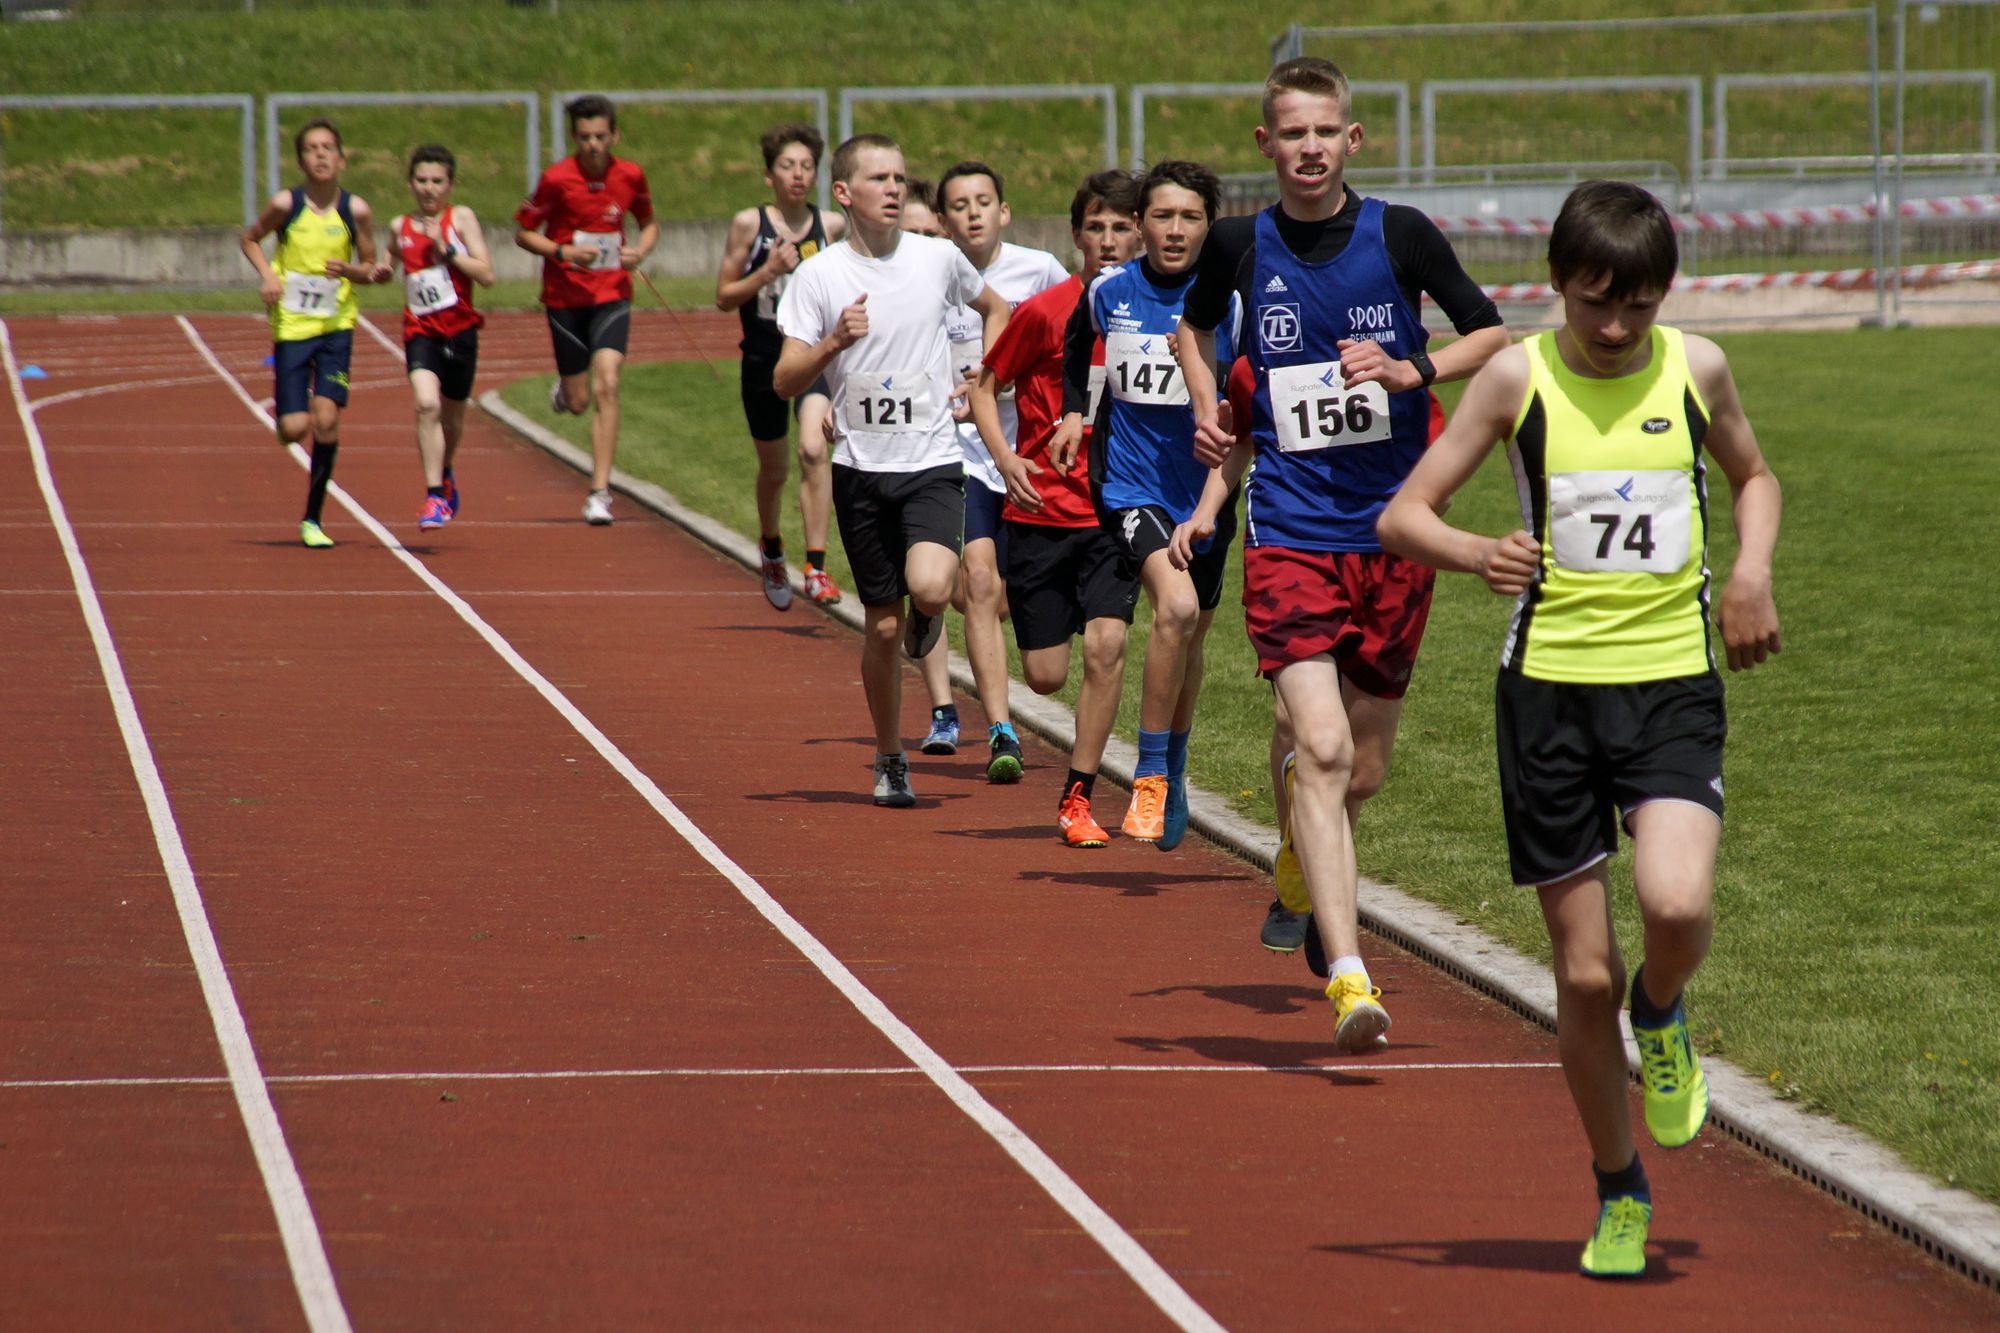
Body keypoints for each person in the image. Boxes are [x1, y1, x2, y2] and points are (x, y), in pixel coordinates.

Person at [1377, 178, 1782, 1280]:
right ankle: (1618, 1186)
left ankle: (1664, 1009)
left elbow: (1752, 476)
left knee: (1675, 903)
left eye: (1638, 306)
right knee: (1583, 975)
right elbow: (1403, 514)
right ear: (1557, 281)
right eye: (1596, 302)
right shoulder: (1516, 376)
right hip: (1547, 697)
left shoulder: (1695, 368)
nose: (1614, 328)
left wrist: (1749, 571)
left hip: (1670, 684)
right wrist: (1478, 553)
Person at [1175, 57, 1508, 1043]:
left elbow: (1490, 335)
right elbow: (1193, 329)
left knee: (1359, 771)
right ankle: (1350, 975)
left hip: (1396, 530)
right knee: (1319, 746)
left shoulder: (1399, 233)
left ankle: (1301, 842)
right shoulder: (1237, 243)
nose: (1310, 148)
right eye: (1293, 133)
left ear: (1351, 139)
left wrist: (1411, 369)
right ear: (1265, 143)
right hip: (1288, 528)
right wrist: (1208, 409)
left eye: (1326, 131)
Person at [773, 135, 1010, 807]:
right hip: (860, 469)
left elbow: (996, 309)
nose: (895, 188)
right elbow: (785, 380)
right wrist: (833, 342)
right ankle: (889, 755)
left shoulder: (938, 258)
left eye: (901, 178)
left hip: (931, 460)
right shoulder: (818, 277)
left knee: (931, 586)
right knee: (880, 627)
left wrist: (985, 376)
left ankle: (926, 617)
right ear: (844, 193)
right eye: (879, 178)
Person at [1054, 159, 1240, 851]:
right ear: (1139, 224)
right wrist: (1074, 412)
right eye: (1162, 216)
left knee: (1191, 636)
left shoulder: (1231, 302)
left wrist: (1202, 366)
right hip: (1130, 488)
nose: (1176, 230)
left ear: (1210, 225)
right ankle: (1151, 773)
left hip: (1209, 491)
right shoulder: (1110, 290)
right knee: (1178, 608)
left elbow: (1246, 398)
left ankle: (1176, 766)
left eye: (1191, 217)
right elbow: (1077, 343)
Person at [969, 169, 1143, 845]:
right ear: (1076, 236)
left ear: (1139, 233)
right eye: (1096, 227)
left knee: (1107, 645)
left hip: (1115, 512)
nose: (1109, 239)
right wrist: (1005, 459)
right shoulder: (1045, 311)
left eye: (1121, 227)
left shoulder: (1154, 314)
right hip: (1040, 513)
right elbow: (985, 386)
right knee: (1044, 677)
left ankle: (1078, 796)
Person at [935, 160, 1070, 782]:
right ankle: (1000, 728)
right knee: (980, 579)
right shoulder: (931, 273)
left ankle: (937, 596)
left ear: (1004, 211)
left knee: (1004, 601)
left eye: (983, 202)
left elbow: (1078, 336)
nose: (973, 214)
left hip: (1027, 453)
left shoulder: (1039, 270)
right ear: (943, 221)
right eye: (959, 205)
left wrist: (1007, 381)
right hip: (960, 452)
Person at [238, 117, 391, 548]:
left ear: (342, 160)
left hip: (336, 326)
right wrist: (269, 276)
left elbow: (369, 267)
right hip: (292, 325)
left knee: (327, 420)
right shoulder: (286, 204)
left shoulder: (356, 210)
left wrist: (357, 272)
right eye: (311, 149)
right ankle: (288, 419)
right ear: (301, 161)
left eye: (328, 148)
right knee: (294, 427)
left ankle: (313, 519)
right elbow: (249, 239)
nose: (321, 155)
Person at [715, 122, 846, 608]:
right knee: (774, 470)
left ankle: (816, 567)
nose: (798, 174)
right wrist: (768, 271)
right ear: (769, 175)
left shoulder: (830, 227)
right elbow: (724, 296)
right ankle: (771, 546)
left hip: (810, 358)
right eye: (788, 166)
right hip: (764, 360)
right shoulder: (749, 225)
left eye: (807, 166)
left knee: (813, 450)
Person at [515, 94, 658, 525]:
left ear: (614, 136)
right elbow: (523, 232)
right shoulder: (556, 179)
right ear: (574, 138)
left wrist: (639, 252)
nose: (593, 145)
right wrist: (562, 251)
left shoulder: (630, 175)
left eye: (599, 136)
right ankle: (564, 392)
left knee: (608, 383)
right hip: (564, 297)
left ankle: (599, 493)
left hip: (612, 293)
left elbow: (647, 223)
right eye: (584, 137)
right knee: (579, 402)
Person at [384, 144, 495, 532]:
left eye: (437, 181)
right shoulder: (399, 226)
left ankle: (445, 471)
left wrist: (446, 250)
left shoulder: (460, 219)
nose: (429, 188)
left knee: (452, 418)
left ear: (450, 185)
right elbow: (388, 258)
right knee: (426, 404)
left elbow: (486, 274)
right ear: (410, 184)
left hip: (460, 331)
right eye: (421, 180)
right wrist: (379, 269)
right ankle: (433, 496)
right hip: (421, 332)